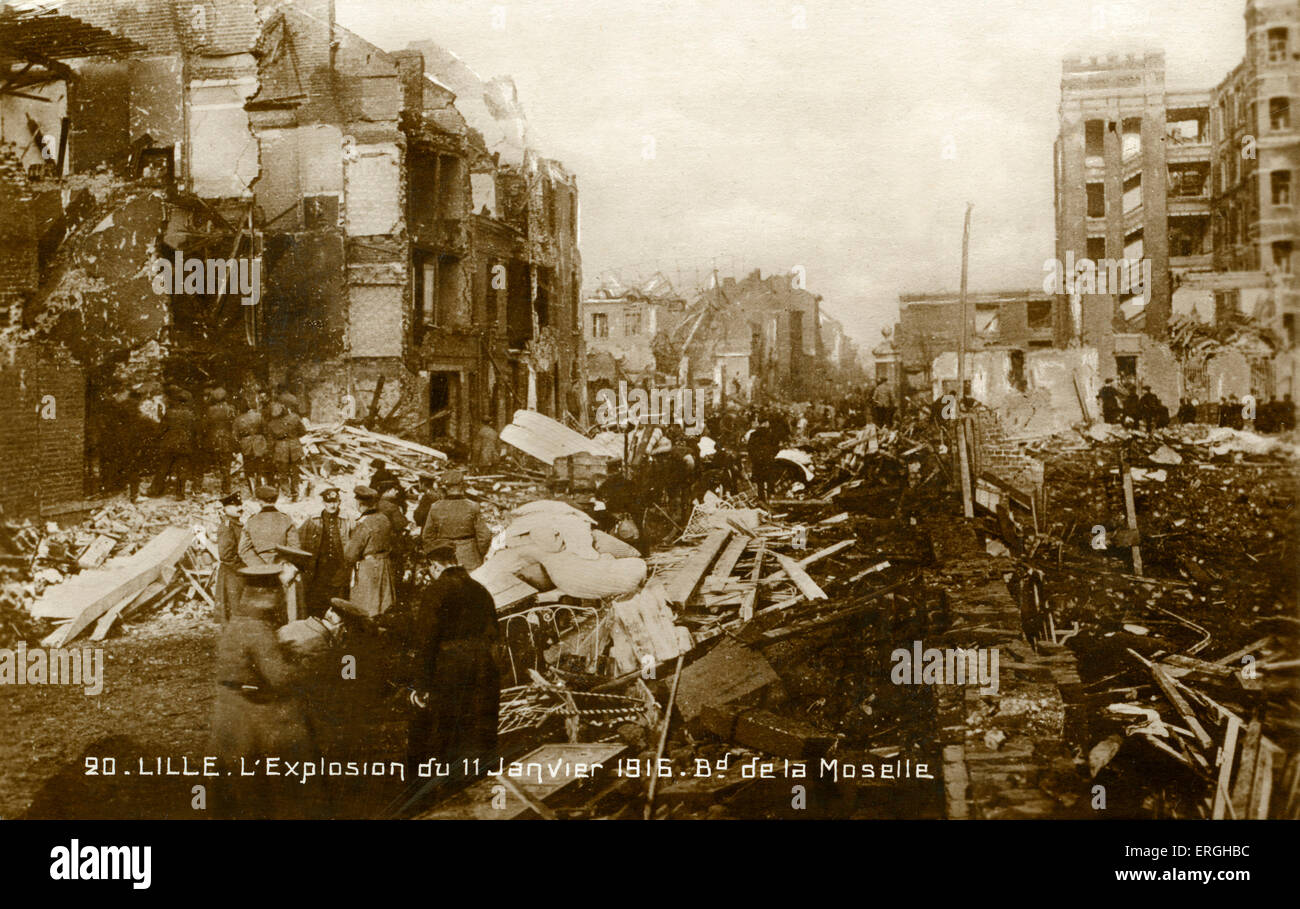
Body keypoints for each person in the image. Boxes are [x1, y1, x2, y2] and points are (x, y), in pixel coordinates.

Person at [207, 564, 316, 819]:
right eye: (279, 593)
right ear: (269, 597)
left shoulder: (238, 622)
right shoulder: (258, 630)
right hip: (248, 713)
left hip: (228, 708)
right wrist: (307, 666)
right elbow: (279, 678)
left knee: (228, 783)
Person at [405, 545, 501, 782]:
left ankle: (447, 785)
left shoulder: (436, 591)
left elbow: (426, 639)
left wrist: (421, 684)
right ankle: (479, 780)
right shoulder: (480, 590)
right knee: (479, 726)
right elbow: (494, 631)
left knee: (447, 727)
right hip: (483, 664)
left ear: (435, 566)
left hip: (450, 666)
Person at [238, 485, 302, 623]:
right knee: (286, 610)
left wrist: (261, 567)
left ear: (259, 501)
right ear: (275, 500)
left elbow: (243, 549)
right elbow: (295, 548)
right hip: (283, 570)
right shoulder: (286, 519)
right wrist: (282, 565)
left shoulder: (251, 521)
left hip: (259, 573)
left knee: (261, 611)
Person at [419, 470, 492, 569]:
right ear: (462, 485)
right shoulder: (473, 506)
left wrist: (437, 556)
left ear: (444, 487)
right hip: (469, 557)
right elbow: (485, 536)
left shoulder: (435, 507)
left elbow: (427, 536)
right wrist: (478, 553)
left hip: (444, 559)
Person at [298, 487, 352, 619]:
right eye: (329, 502)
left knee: (339, 599)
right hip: (320, 568)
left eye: (335, 502)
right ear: (323, 503)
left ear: (339, 502)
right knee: (318, 599)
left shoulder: (348, 520)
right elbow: (299, 539)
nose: (332, 505)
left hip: (340, 567)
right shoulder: (313, 519)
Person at [344, 486, 396, 618]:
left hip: (368, 568)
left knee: (366, 606)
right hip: (385, 565)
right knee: (383, 603)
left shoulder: (364, 524)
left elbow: (350, 555)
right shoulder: (384, 518)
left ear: (360, 504)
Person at [147, 390, 198, 497]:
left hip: (169, 444)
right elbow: (194, 432)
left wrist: (157, 439)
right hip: (184, 445)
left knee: (163, 467)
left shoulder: (170, 413)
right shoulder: (191, 415)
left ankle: (155, 491)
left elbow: (161, 429)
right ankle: (180, 493)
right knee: (182, 469)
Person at [215, 492, 245, 623]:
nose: (239, 508)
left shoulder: (237, 524)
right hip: (232, 573)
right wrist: (243, 568)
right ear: (225, 509)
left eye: (240, 505)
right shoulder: (227, 526)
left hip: (238, 573)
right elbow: (225, 555)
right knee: (234, 609)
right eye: (235, 506)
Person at [266, 402, 306, 499]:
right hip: (295, 447)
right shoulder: (295, 417)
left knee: (282, 472)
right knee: (295, 472)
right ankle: (296, 492)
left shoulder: (271, 424)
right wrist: (294, 437)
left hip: (280, 449)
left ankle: (287, 493)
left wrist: (271, 452)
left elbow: (270, 441)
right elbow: (303, 431)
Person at [204, 387, 238, 495]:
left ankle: (208, 486)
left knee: (215, 462)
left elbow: (206, 425)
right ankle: (226, 487)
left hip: (213, 438)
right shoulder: (231, 408)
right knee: (226, 464)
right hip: (227, 438)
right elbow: (234, 424)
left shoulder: (210, 409)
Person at [234, 401, 269, 492]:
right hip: (259, 443)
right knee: (260, 466)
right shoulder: (258, 416)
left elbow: (235, 435)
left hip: (246, 444)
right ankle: (262, 487)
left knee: (249, 467)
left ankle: (252, 490)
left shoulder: (238, 420)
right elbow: (265, 430)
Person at [746, 416, 779, 501]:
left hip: (757, 463)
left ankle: (762, 501)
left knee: (760, 483)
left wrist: (754, 459)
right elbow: (776, 448)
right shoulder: (771, 434)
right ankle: (770, 500)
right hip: (769, 461)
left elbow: (749, 448)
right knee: (770, 482)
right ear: (766, 423)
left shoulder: (753, 434)